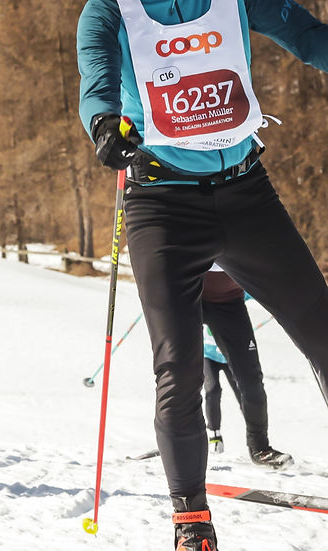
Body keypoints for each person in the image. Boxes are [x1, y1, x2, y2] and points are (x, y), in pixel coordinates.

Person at [77, 2, 328, 548]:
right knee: (179, 366)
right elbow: (96, 74)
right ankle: (192, 521)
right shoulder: (107, 11)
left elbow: (309, 37)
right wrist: (101, 122)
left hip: (247, 195)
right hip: (161, 205)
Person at [201, 266, 291, 467]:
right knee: (200, 384)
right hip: (187, 296)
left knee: (251, 382)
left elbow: (260, 278)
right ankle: (179, 442)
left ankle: (260, 448)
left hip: (228, 302)